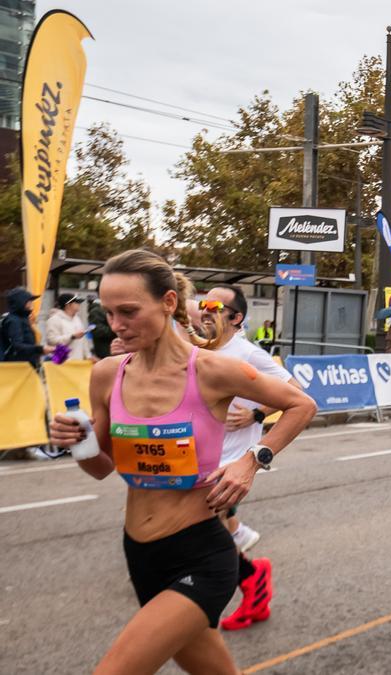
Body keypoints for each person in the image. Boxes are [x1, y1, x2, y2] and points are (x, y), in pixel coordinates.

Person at [47, 249, 315, 675]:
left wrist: (252, 459)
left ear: (168, 303)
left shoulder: (212, 370)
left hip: (201, 555)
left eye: (129, 311)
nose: (116, 325)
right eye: (109, 312)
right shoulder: (107, 374)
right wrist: (74, 442)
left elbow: (301, 404)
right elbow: (100, 467)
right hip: (140, 553)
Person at [199, 284, 300, 631]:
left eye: (214, 305)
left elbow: (298, 392)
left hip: (230, 461)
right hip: (200, 456)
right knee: (209, 533)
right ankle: (246, 563)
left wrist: (256, 414)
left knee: (203, 535)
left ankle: (252, 581)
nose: (205, 310)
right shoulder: (201, 349)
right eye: (203, 303)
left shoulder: (247, 353)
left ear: (236, 317)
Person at [1, 287, 55, 367]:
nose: (31, 303)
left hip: (27, 364)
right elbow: (18, 345)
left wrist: (40, 351)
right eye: (29, 301)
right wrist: (40, 349)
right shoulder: (13, 320)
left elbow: (27, 343)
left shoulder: (23, 318)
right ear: (20, 302)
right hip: (17, 366)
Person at [44, 293, 93, 361]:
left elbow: (83, 339)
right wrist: (72, 336)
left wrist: (88, 356)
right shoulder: (54, 320)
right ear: (68, 305)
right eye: (76, 302)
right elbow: (52, 341)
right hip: (61, 363)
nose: (79, 304)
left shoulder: (77, 319)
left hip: (78, 362)